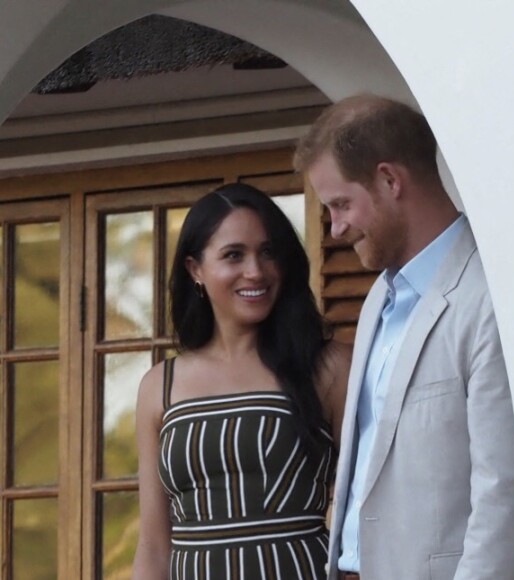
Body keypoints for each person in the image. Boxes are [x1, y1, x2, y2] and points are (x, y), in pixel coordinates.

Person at [294, 94, 514, 580]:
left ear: (389, 180)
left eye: (340, 205)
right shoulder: (380, 295)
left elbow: (503, 495)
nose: (335, 228)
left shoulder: (489, 299)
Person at [132, 183, 350, 580]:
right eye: (234, 255)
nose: (256, 271)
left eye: (268, 253)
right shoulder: (158, 387)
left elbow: (379, 508)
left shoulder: (329, 366)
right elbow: (152, 545)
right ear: (194, 268)